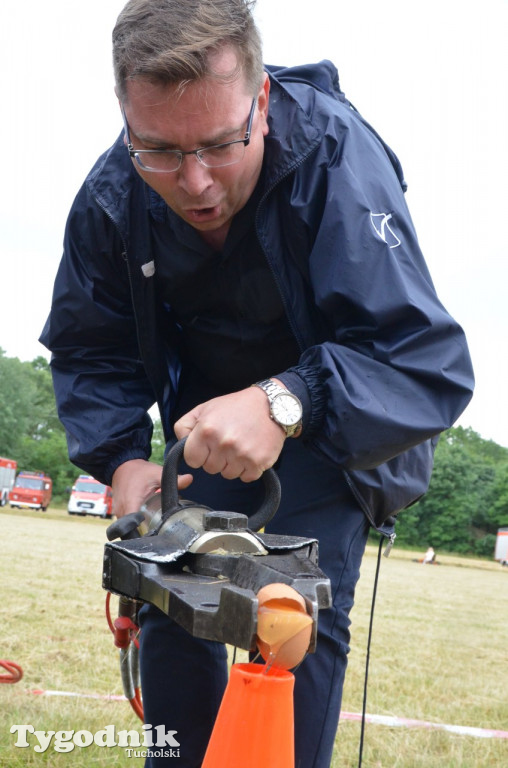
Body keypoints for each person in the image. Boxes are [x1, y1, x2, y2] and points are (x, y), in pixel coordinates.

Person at [40, 1, 474, 765]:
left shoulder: (337, 157)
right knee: (171, 597)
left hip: (333, 429)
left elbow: (421, 360)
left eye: (220, 143)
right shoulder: (112, 194)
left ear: (263, 98)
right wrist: (121, 460)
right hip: (197, 435)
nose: (195, 182)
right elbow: (90, 344)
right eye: (160, 150)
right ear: (125, 117)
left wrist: (287, 399)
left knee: (292, 622)